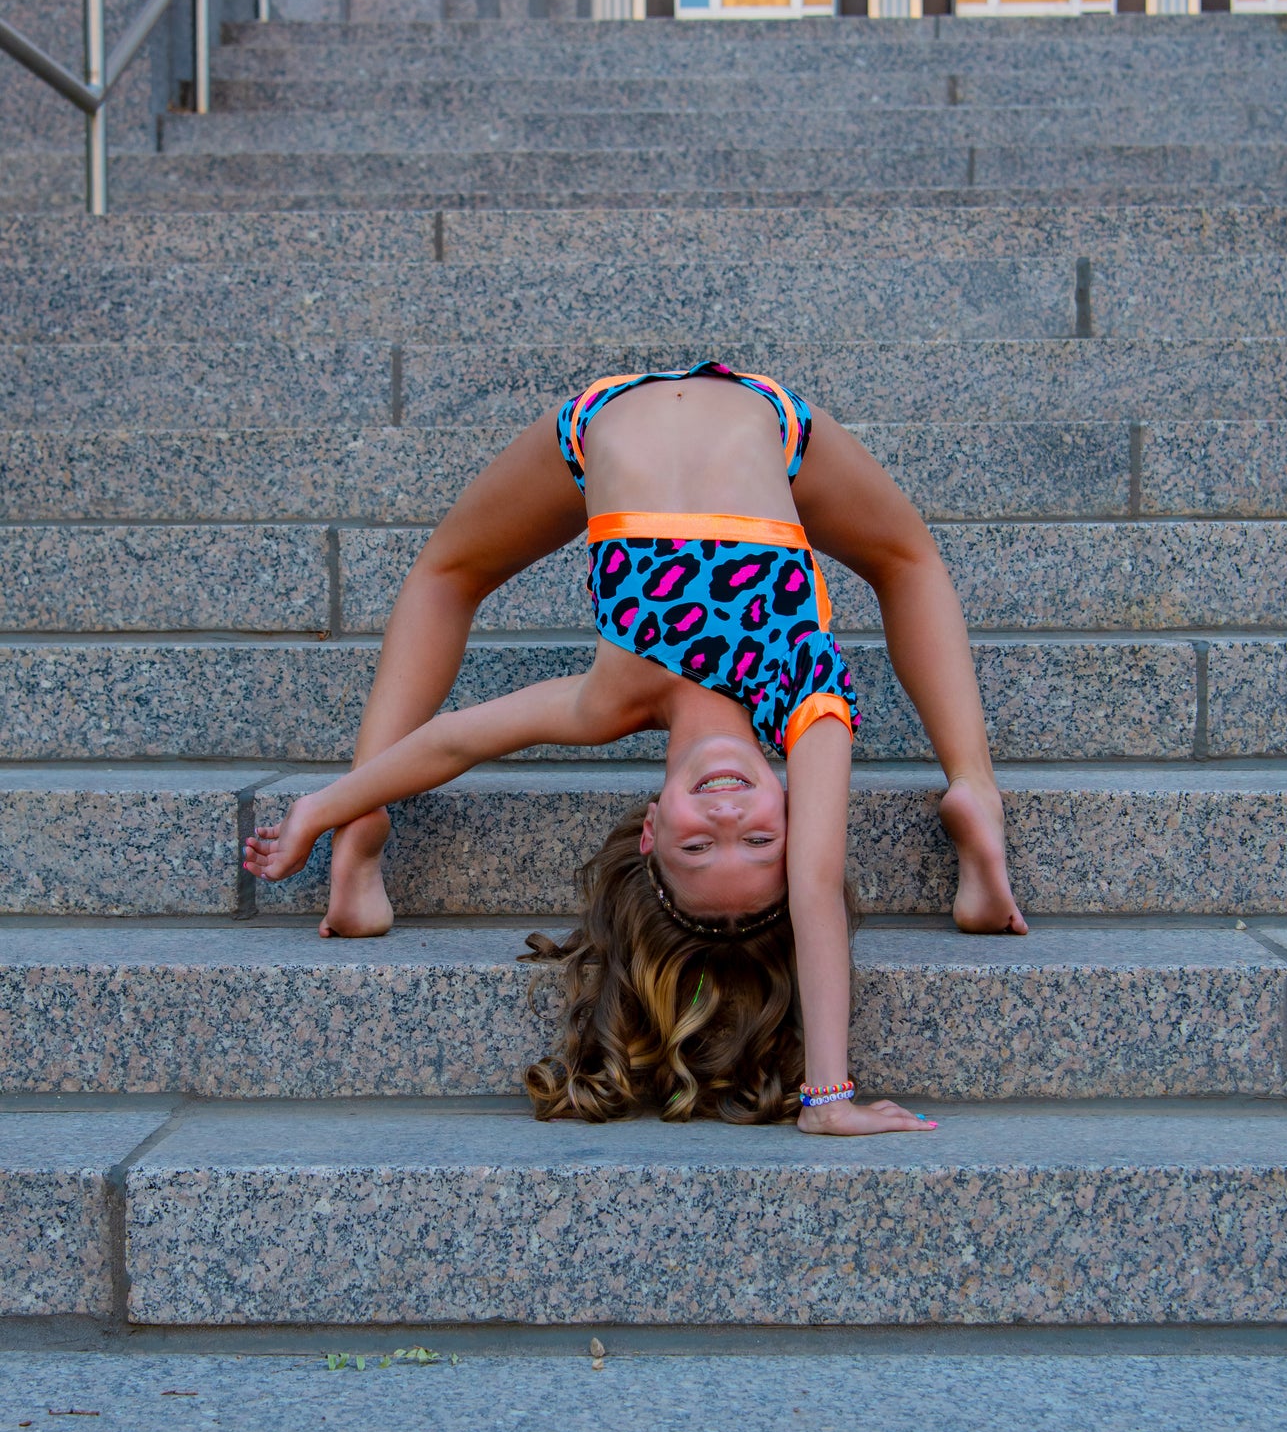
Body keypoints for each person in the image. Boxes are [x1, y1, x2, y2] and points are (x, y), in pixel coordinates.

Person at [244, 363, 1027, 1137]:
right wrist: (826, 1096)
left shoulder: (605, 702)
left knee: (446, 572)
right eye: (758, 838)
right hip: (760, 416)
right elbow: (816, 886)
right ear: (795, 811)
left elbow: (452, 739)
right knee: (910, 558)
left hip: (607, 419)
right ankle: (973, 790)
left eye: (697, 841)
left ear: (650, 827)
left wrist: (330, 805)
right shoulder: (809, 697)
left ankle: (363, 832)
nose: (726, 811)